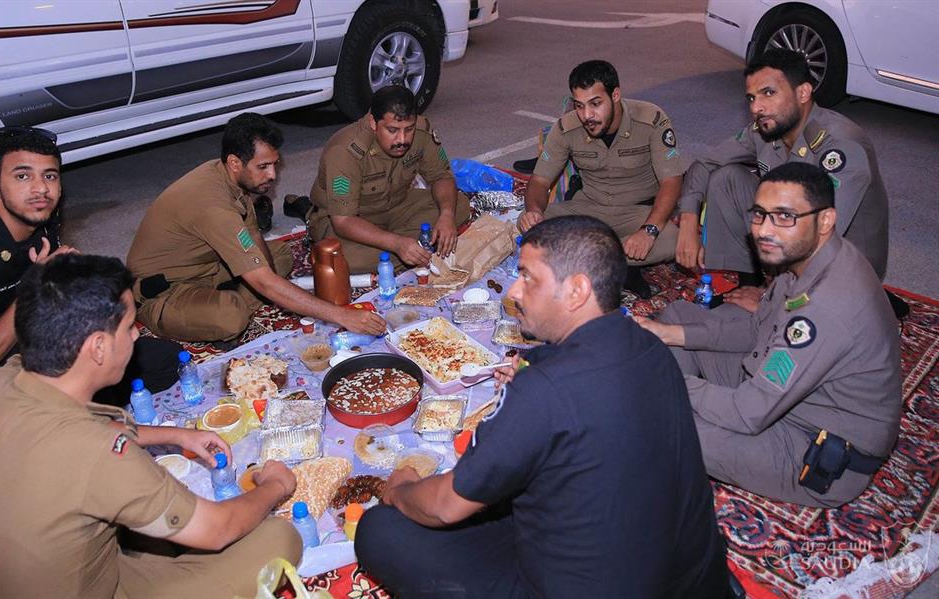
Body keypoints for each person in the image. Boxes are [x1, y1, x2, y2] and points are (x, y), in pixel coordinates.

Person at [356, 216, 730, 598]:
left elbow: (444, 507)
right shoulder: (651, 348)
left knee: (380, 530)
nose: (515, 291)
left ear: (577, 291)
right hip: (691, 576)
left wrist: (401, 489)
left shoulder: (539, 392)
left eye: (527, 277)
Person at [0, 254, 302, 598]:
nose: (136, 336)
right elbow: (218, 530)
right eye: (129, 327)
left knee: (147, 535)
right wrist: (275, 485)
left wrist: (175, 434)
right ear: (98, 347)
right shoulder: (102, 455)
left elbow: (80, 427)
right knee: (279, 539)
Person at [637, 163, 901, 508]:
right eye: (760, 214)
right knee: (677, 317)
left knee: (655, 420)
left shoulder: (826, 308)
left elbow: (747, 413)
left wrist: (670, 382)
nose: (764, 230)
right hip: (784, 399)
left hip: (811, 446)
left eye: (785, 217)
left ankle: (668, 415)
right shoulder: (807, 259)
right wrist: (669, 334)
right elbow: (756, 330)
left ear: (825, 220)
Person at [0, 127, 178, 444]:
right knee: (74, 431)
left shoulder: (42, 223)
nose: (41, 188)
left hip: (41, 354)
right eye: (22, 176)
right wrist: (35, 285)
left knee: (164, 360)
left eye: (50, 176)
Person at [127, 113, 385, 343]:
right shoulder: (213, 206)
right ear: (235, 163)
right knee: (232, 317)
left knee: (280, 255)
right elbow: (263, 279)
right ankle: (214, 305)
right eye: (263, 167)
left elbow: (252, 231)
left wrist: (267, 278)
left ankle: (230, 296)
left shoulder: (228, 176)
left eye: (274, 164)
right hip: (165, 289)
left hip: (206, 266)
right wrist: (341, 315)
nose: (272, 175)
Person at [674, 49, 892, 313]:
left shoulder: (840, 145)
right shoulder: (769, 129)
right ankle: (747, 284)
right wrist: (688, 221)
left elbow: (821, 238)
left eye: (768, 93)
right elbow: (705, 163)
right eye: (752, 98)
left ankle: (770, 297)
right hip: (793, 233)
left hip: (843, 264)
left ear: (803, 93)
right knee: (726, 178)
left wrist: (770, 298)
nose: (756, 108)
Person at [517, 60, 685, 298]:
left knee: (673, 239)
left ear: (615, 95)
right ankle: (619, 263)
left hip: (637, 213)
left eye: (595, 104)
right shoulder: (567, 127)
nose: (587, 115)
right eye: (579, 105)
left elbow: (672, 181)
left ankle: (583, 260)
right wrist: (534, 211)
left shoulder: (651, 119)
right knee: (528, 224)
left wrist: (648, 231)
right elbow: (540, 181)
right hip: (589, 209)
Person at [307, 85, 471, 272]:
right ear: (373, 123)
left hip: (396, 205)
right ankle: (410, 246)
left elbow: (441, 175)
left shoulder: (421, 131)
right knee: (344, 260)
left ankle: (405, 247)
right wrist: (396, 243)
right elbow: (343, 221)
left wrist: (446, 215)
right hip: (352, 218)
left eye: (408, 129)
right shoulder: (345, 152)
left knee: (459, 205)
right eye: (392, 130)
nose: (402, 139)